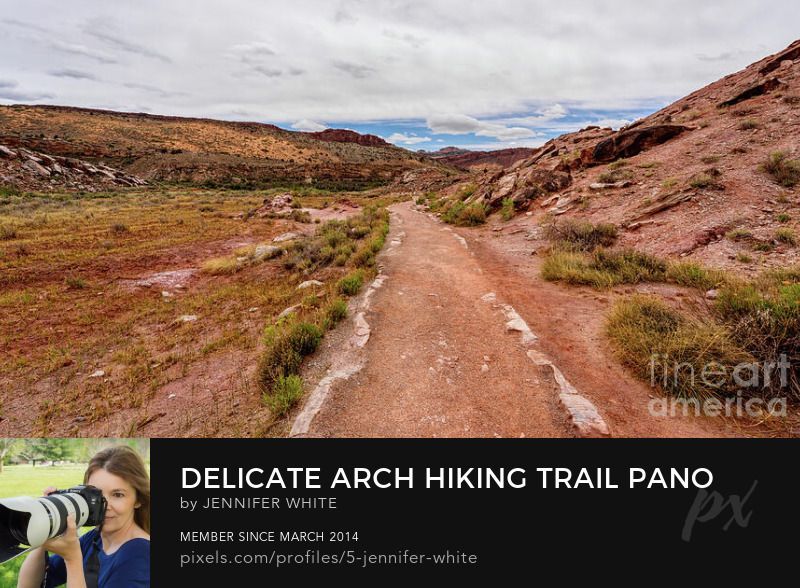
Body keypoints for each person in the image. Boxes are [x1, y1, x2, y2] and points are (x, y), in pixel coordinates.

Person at [17, 446, 150, 588]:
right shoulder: (95, 539)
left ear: (138, 499)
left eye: (117, 495)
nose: (104, 506)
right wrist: (47, 527)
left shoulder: (140, 554)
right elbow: (29, 585)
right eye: (96, 495)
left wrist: (72, 559)